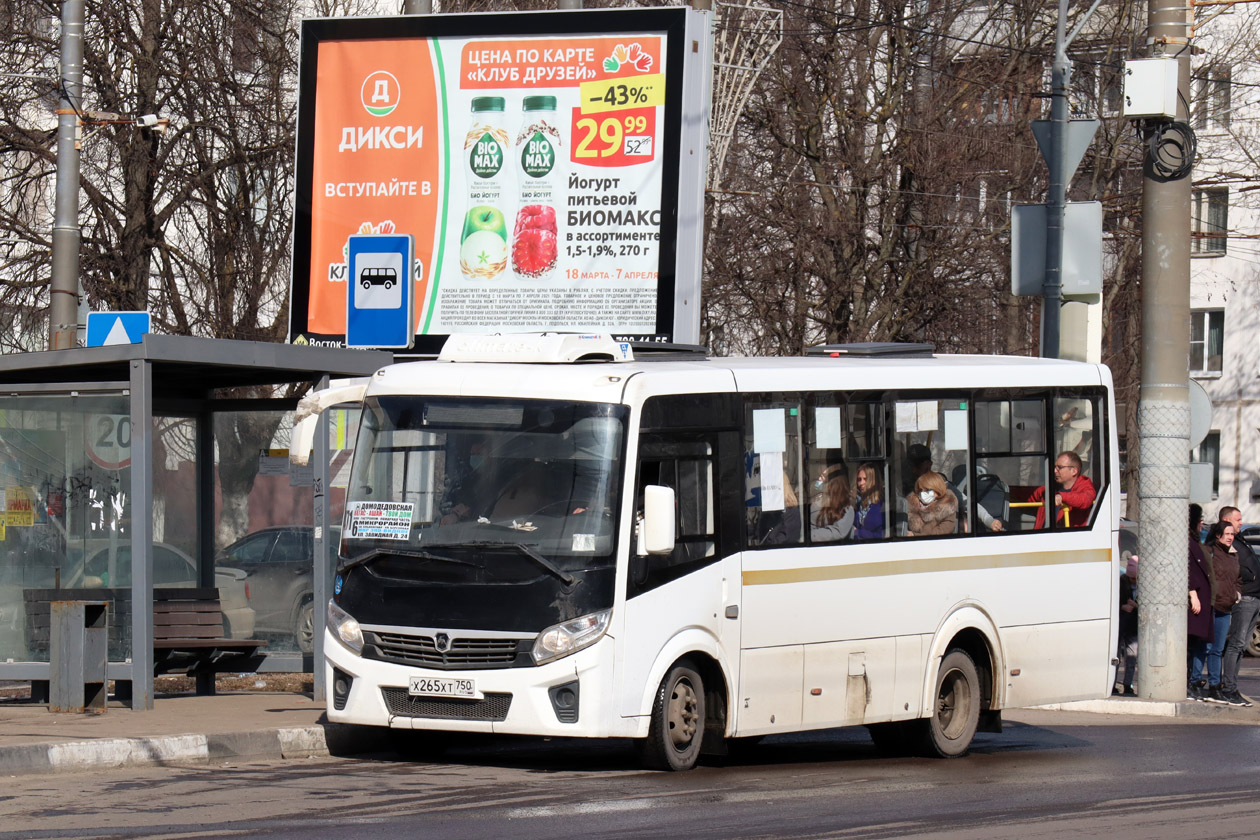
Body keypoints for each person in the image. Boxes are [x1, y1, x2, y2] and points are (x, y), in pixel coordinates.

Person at [1218, 506, 1257, 707]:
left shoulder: (1238, 539)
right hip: (1246, 599)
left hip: (1254, 599)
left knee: (1241, 646)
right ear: (1226, 520)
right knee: (1236, 644)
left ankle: (1233, 687)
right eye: (1238, 519)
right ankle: (1228, 688)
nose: (1241, 522)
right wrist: (1250, 577)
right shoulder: (1225, 543)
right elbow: (1231, 569)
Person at [1204, 518, 1241, 704]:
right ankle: (1200, 682)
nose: (1230, 537)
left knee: (1218, 649)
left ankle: (1215, 685)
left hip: (1226, 606)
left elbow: (1238, 578)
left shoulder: (1234, 554)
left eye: (1232, 534)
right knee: (1208, 648)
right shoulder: (1210, 552)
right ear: (1218, 535)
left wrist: (1237, 594)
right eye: (1226, 534)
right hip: (1212, 605)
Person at [1187, 504, 1214, 701]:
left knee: (1197, 645)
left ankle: (1192, 681)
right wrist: (1192, 593)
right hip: (1193, 603)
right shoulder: (1186, 543)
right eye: (1200, 518)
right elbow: (1187, 570)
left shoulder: (1195, 542)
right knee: (1189, 645)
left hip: (1202, 602)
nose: (1202, 523)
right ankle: (1188, 682)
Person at [1029, 451, 1096, 529]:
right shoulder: (1049, 488)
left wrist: (1062, 497)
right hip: (1043, 536)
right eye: (1055, 467)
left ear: (1074, 471)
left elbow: (1085, 499)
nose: (1055, 471)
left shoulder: (1084, 485)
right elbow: (1029, 496)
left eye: (1060, 467)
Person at [810, 463, 854, 542]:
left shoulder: (847, 509)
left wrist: (811, 535)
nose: (820, 480)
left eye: (824, 477)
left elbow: (838, 532)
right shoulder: (816, 503)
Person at [906, 471, 958, 537]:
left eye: (927, 490)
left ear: (938, 490)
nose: (923, 493)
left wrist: (914, 535)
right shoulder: (910, 507)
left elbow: (942, 531)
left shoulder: (948, 507)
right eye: (920, 490)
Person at [1115, 555, 1138, 696]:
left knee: (1132, 655)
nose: (1133, 582)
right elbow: (1112, 601)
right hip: (1121, 624)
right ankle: (1112, 683)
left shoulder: (1145, 584)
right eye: (1131, 579)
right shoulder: (1120, 582)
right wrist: (1122, 607)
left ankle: (1127, 684)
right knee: (1116, 656)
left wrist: (1135, 606)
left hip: (1133, 625)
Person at [852, 463, 884, 540]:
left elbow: (882, 535)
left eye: (865, 479)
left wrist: (857, 532)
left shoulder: (881, 505)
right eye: (859, 479)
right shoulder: (859, 503)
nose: (861, 483)